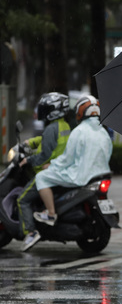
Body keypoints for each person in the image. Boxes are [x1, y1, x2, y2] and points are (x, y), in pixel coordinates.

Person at [33, 95, 113, 229]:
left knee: (41, 177)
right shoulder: (103, 132)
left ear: (80, 112)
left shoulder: (79, 131)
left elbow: (66, 159)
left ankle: (51, 214)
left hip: (81, 176)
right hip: (102, 174)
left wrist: (50, 166)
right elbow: (108, 154)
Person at [19, 92, 71, 251]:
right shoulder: (64, 126)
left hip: (48, 170)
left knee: (22, 200)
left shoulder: (51, 128)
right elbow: (47, 141)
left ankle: (31, 232)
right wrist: (30, 143)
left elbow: (45, 154)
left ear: (54, 110)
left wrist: (28, 160)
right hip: (60, 168)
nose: (42, 111)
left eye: (46, 108)